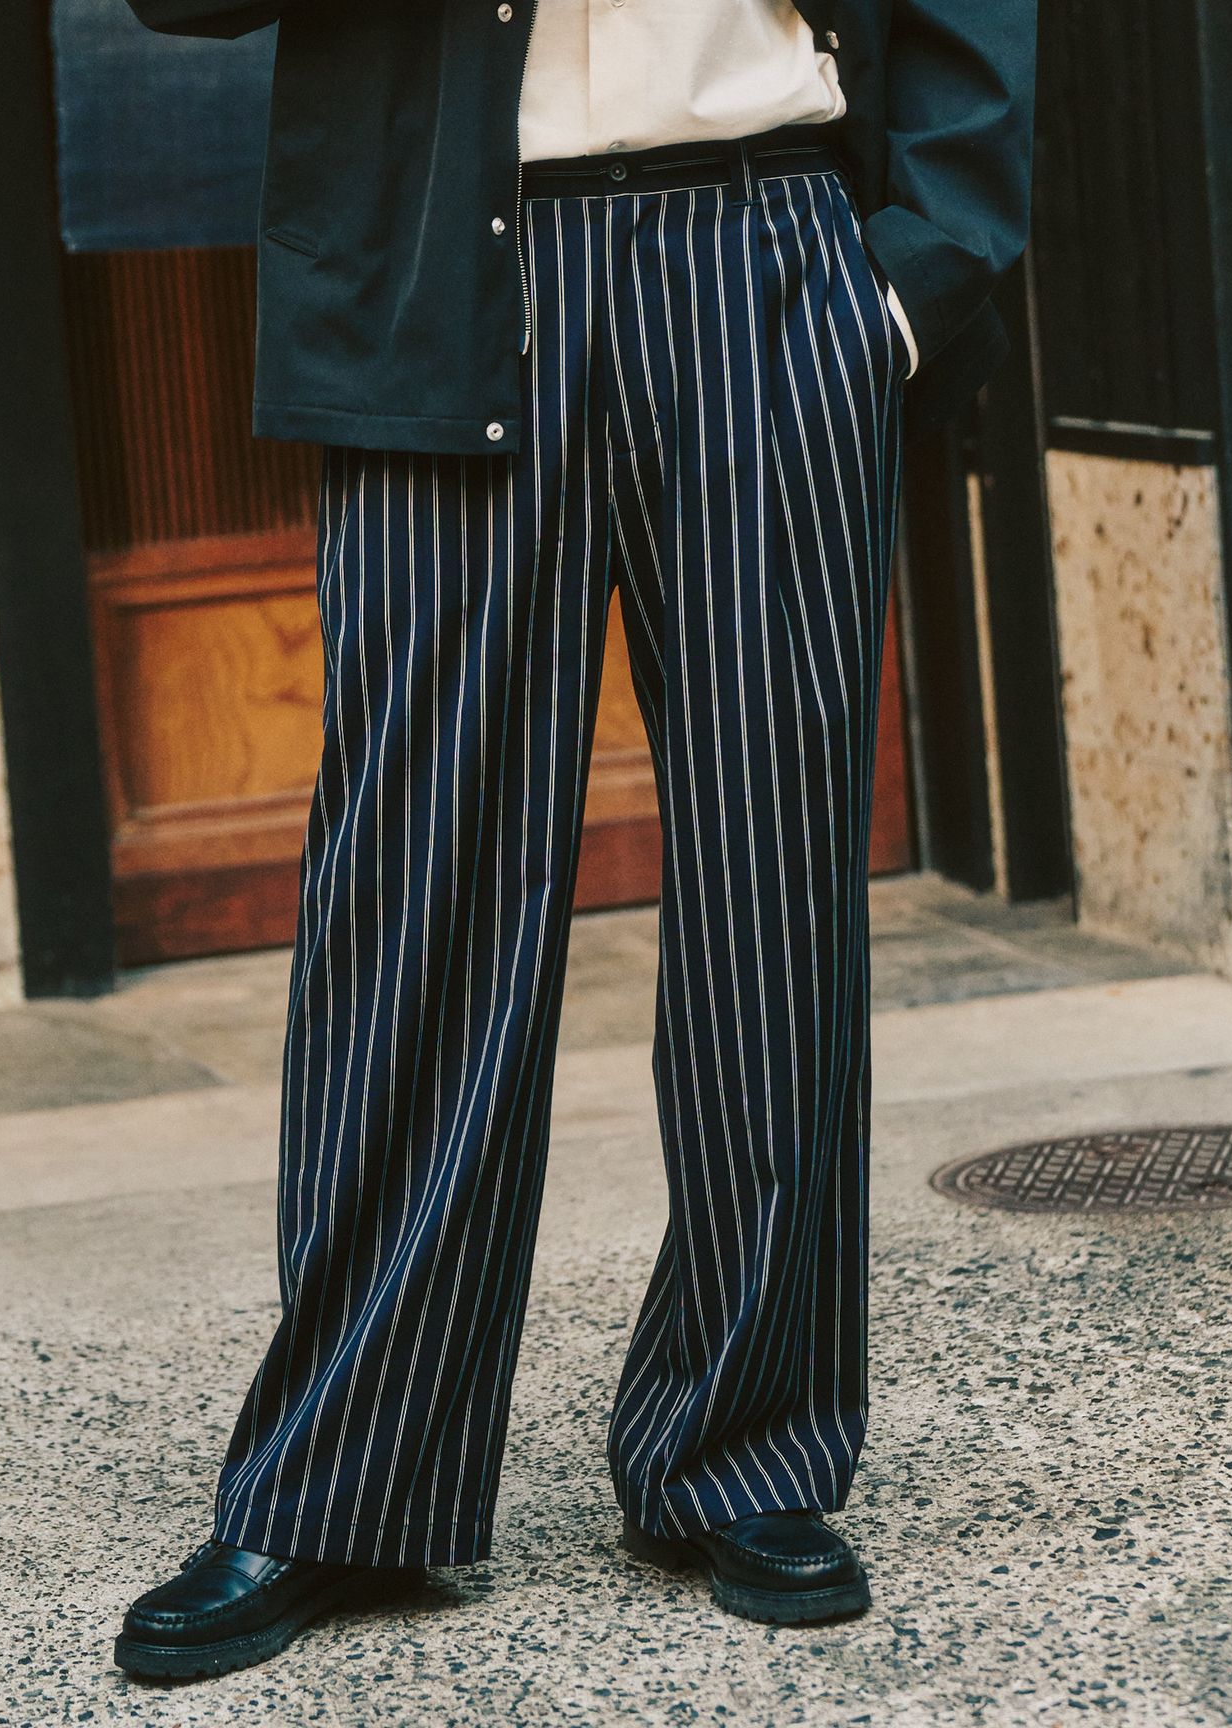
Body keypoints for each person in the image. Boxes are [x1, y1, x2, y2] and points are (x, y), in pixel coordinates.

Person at [111, 0, 1036, 1682]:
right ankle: (345, 1479)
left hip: (766, 260)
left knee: (775, 883)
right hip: (442, 265)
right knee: (415, 900)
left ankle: (742, 1445)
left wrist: (912, 279)